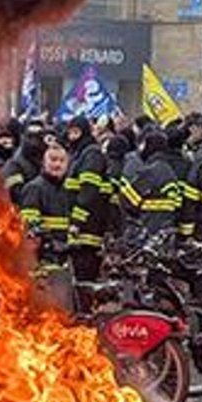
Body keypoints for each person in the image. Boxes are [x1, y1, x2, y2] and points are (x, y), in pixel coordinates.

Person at [63, 115, 114, 284]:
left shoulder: (91, 155)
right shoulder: (80, 154)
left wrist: (77, 221)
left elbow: (89, 192)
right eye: (70, 132)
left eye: (76, 132)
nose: (72, 137)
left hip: (88, 229)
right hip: (81, 229)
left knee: (85, 277)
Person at [119, 129, 183, 239]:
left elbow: (127, 200)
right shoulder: (169, 171)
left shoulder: (151, 172)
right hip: (166, 231)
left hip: (148, 230)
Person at [18, 144, 72, 268]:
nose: (57, 164)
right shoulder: (34, 188)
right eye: (53, 159)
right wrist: (49, 243)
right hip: (42, 257)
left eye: (62, 161)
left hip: (63, 256)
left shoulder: (67, 190)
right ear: (43, 162)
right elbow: (29, 224)